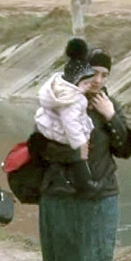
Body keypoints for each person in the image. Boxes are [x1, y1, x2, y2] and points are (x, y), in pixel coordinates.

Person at [28, 42, 131, 261]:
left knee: (101, 259)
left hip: (103, 193)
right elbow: (39, 146)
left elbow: (126, 149)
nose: (99, 80)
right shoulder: (57, 100)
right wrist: (76, 153)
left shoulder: (107, 103)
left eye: (105, 74)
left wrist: (112, 116)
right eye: (94, 72)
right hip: (62, 194)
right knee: (66, 260)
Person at [34, 37, 97, 194]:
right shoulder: (73, 100)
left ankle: (58, 176)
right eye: (86, 83)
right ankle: (86, 185)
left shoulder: (61, 91)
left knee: (61, 160)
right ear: (77, 82)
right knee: (79, 161)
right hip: (60, 133)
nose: (90, 85)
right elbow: (71, 123)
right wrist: (81, 144)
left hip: (49, 130)